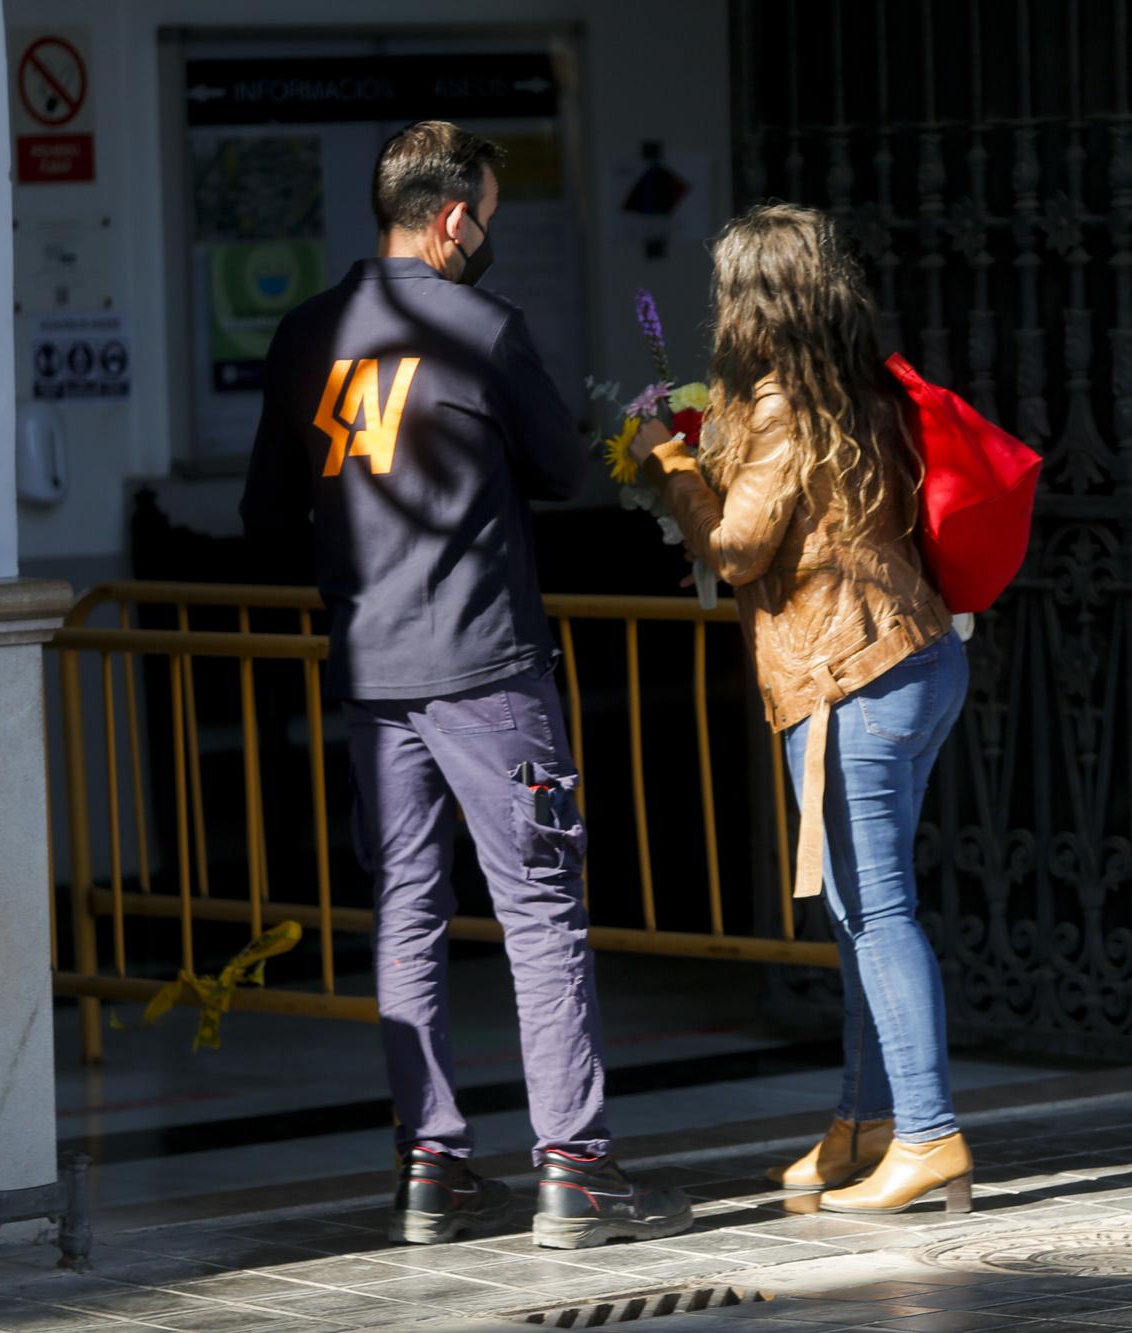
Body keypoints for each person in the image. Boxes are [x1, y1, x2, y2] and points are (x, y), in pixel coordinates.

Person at [240, 120, 692, 1251]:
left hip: (369, 668)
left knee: (405, 909)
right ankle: (575, 1169)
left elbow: (263, 507)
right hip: (487, 668)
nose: (488, 234)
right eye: (487, 215)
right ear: (451, 220)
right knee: (539, 908)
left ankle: (430, 1167)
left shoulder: (303, 335)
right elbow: (559, 468)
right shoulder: (483, 327)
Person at [630, 203, 972, 1215]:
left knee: (875, 911)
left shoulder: (782, 405)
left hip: (848, 677)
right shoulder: (858, 386)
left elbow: (735, 548)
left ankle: (925, 1132)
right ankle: (866, 1119)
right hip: (910, 658)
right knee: (861, 910)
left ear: (754, 301)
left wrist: (669, 462)